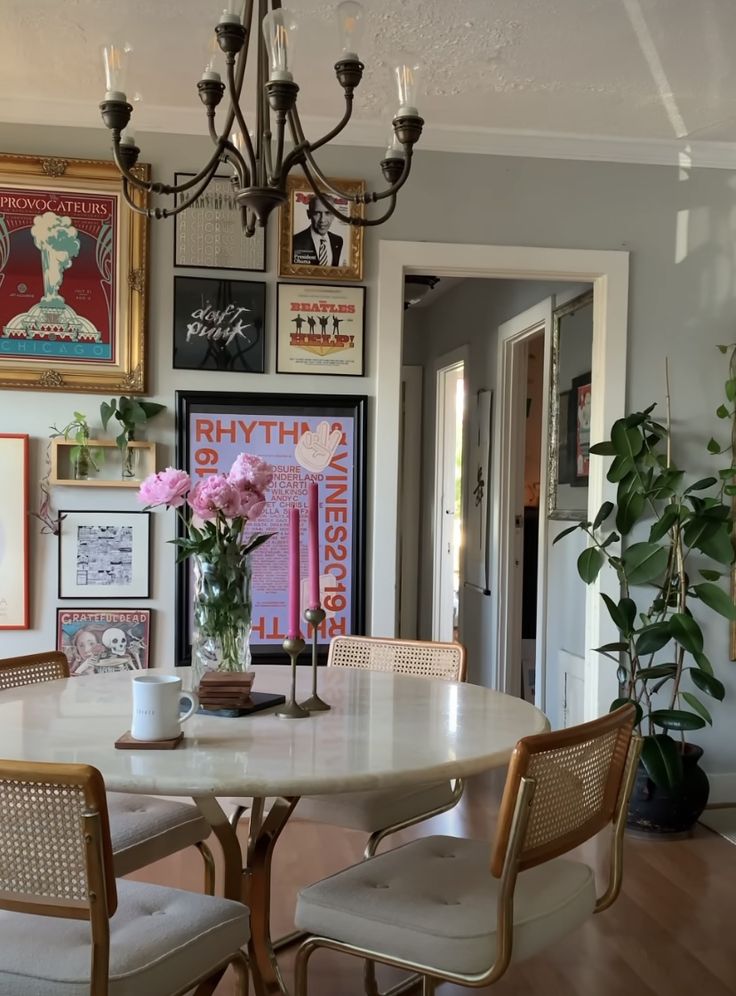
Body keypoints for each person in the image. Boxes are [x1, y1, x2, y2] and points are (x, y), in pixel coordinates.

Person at [292, 195, 346, 267]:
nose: (322, 220)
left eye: (327, 213)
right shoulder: (294, 242)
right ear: (309, 214)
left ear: (334, 215)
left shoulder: (338, 240)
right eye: (317, 213)